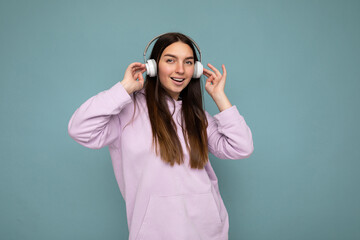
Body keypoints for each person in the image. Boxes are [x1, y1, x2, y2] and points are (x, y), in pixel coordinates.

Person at [68, 32, 254, 240]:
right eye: (170, 60)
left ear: (195, 70)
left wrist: (219, 96)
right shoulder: (127, 111)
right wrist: (124, 88)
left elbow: (242, 147)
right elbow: (80, 129)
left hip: (208, 231)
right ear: (153, 66)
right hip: (154, 233)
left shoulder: (197, 116)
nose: (180, 69)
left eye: (188, 62)